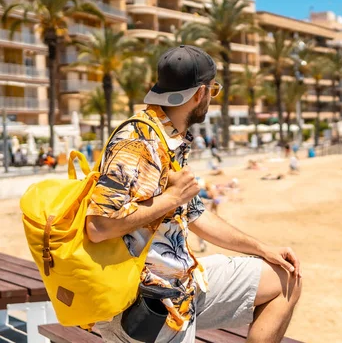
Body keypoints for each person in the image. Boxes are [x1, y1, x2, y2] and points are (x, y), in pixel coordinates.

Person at [87, 46, 301, 343]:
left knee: (285, 277)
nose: (211, 98)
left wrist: (262, 248)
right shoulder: (137, 142)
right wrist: (173, 198)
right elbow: (99, 226)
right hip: (146, 307)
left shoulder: (169, 138)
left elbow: (195, 215)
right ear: (200, 94)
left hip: (182, 285)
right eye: (213, 90)